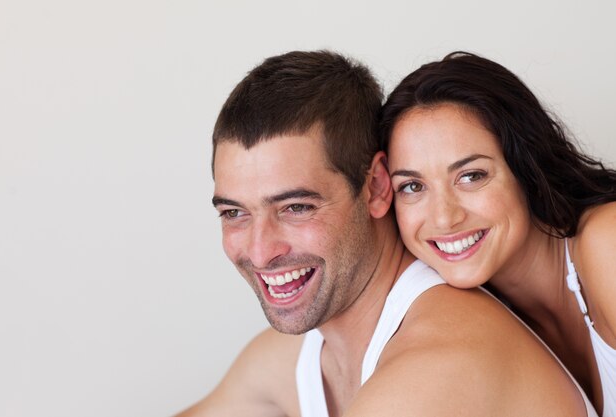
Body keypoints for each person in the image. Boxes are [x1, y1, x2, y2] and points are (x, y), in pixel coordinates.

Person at [176, 50, 596, 417]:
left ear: (377, 186)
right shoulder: (296, 355)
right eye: (235, 213)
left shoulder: (437, 365)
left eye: (296, 208)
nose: (261, 251)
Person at [380, 51, 616, 416]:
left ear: (526, 167)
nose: (444, 218)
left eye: (471, 176)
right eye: (412, 187)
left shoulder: (607, 241)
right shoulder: (461, 317)